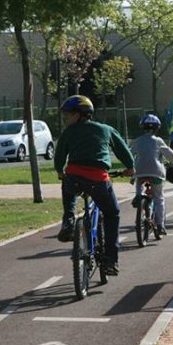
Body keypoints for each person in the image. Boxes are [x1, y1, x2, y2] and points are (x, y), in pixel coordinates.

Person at [54, 95, 134, 276]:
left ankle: (68, 222)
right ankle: (111, 262)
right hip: (98, 180)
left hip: (74, 176)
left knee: (68, 189)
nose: (67, 119)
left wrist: (59, 170)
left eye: (68, 115)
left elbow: (60, 154)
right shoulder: (106, 129)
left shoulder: (69, 132)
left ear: (80, 114)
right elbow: (123, 150)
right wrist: (130, 168)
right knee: (112, 214)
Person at [130, 114, 173, 235]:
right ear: (157, 128)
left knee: (139, 180)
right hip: (156, 173)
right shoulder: (158, 141)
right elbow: (169, 154)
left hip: (139, 171)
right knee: (159, 198)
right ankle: (160, 225)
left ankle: (138, 195)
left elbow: (130, 154)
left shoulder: (137, 141)